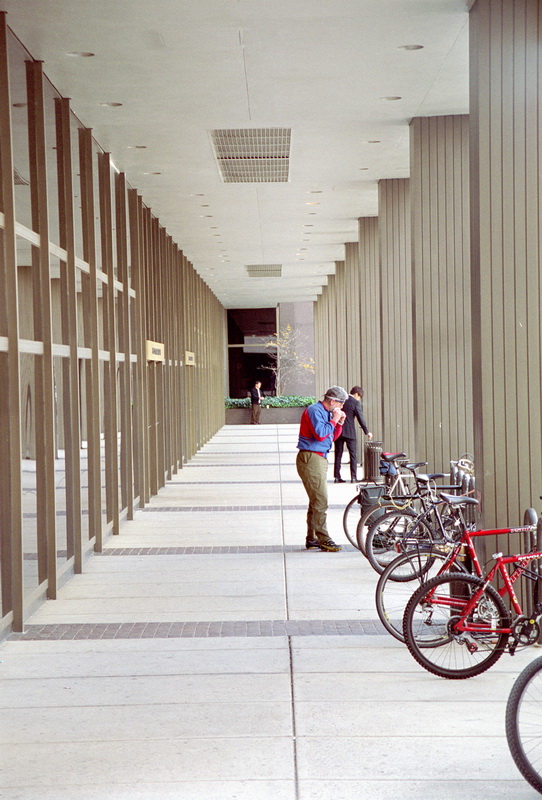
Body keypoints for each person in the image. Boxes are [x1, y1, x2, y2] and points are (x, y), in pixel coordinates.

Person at [296, 385, 348, 552]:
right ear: (332, 401)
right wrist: (333, 420)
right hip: (311, 458)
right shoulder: (314, 410)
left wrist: (338, 423)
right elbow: (319, 434)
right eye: (340, 404)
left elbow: (330, 437)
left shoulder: (325, 412)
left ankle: (312, 538)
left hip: (318, 457)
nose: (341, 407)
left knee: (315, 501)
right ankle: (324, 538)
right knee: (321, 500)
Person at [333, 385, 373, 483]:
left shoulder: (341, 400)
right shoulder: (355, 403)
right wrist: (367, 431)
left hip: (339, 430)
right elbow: (360, 418)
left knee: (338, 454)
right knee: (353, 455)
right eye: (359, 396)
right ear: (356, 394)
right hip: (350, 432)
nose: (359, 398)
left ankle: (337, 477)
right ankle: (353, 477)